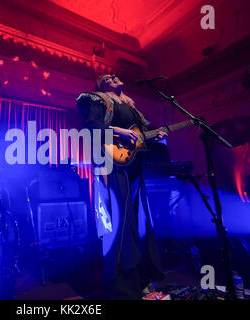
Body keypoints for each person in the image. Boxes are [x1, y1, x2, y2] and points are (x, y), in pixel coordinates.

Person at [77, 74, 167, 299]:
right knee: (121, 219)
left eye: (116, 75)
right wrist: (120, 132)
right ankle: (122, 285)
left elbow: (144, 132)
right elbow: (91, 125)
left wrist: (157, 134)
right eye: (109, 77)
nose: (115, 77)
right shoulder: (97, 99)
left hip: (134, 164)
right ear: (101, 85)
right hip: (112, 162)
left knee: (140, 220)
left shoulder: (133, 109)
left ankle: (143, 276)